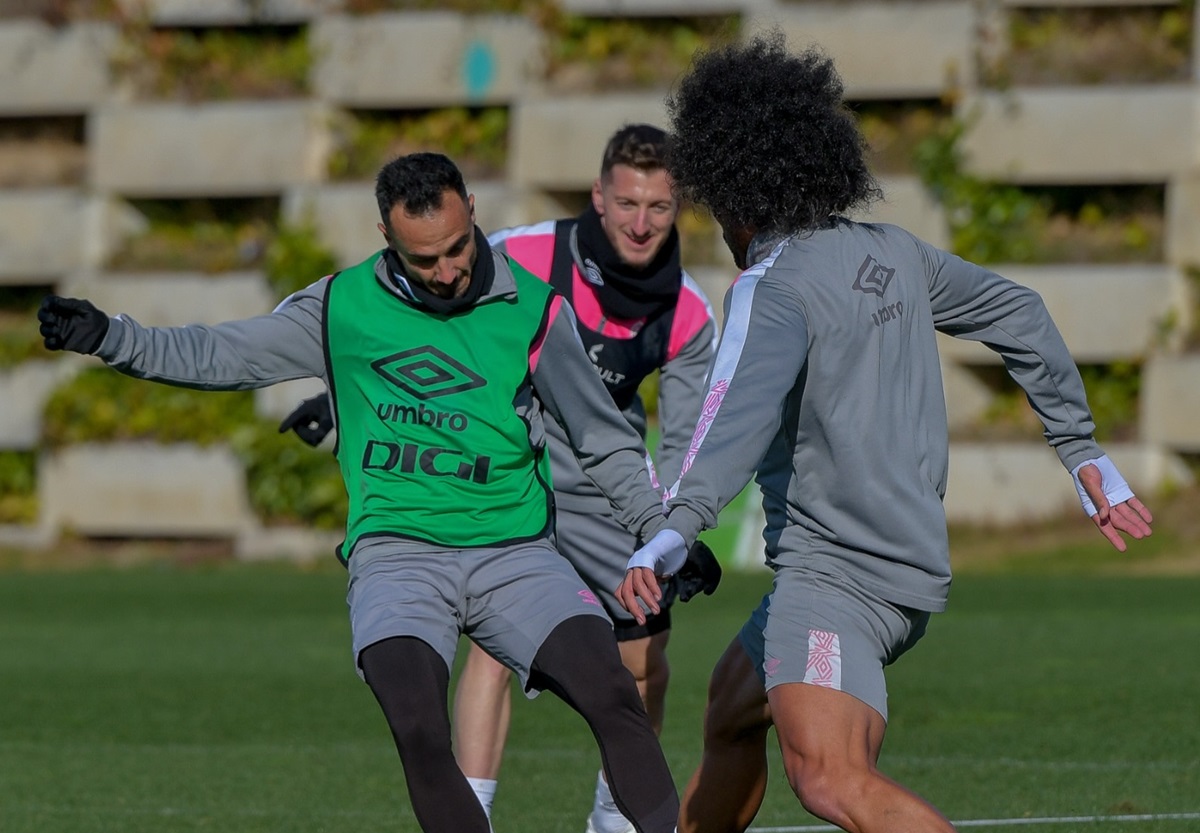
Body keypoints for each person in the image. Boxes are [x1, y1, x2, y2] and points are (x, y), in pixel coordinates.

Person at [37, 152, 682, 833]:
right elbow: (223, 354)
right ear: (387, 237)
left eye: (459, 248)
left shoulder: (533, 310)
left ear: (473, 215)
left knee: (614, 692)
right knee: (418, 727)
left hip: (516, 553)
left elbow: (602, 438)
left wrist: (662, 532)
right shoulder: (340, 305)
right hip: (397, 558)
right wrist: (111, 336)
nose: (448, 271)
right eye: (425, 259)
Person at [616, 33, 1155, 833]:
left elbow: (724, 428)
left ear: (729, 187)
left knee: (831, 778)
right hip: (904, 565)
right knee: (733, 706)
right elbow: (1021, 312)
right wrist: (1081, 448)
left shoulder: (774, 287)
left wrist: (664, 536)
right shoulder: (893, 252)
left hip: (838, 578)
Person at [281, 124, 722, 833]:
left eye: (660, 207)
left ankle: (614, 822)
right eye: (627, 202)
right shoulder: (520, 254)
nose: (641, 223)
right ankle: (474, 810)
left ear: (679, 210)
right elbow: (420, 338)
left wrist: (673, 532)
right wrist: (334, 400)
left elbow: (684, 435)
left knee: (639, 661)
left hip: (607, 487)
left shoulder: (688, 309)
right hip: (516, 473)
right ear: (598, 197)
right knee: (492, 645)